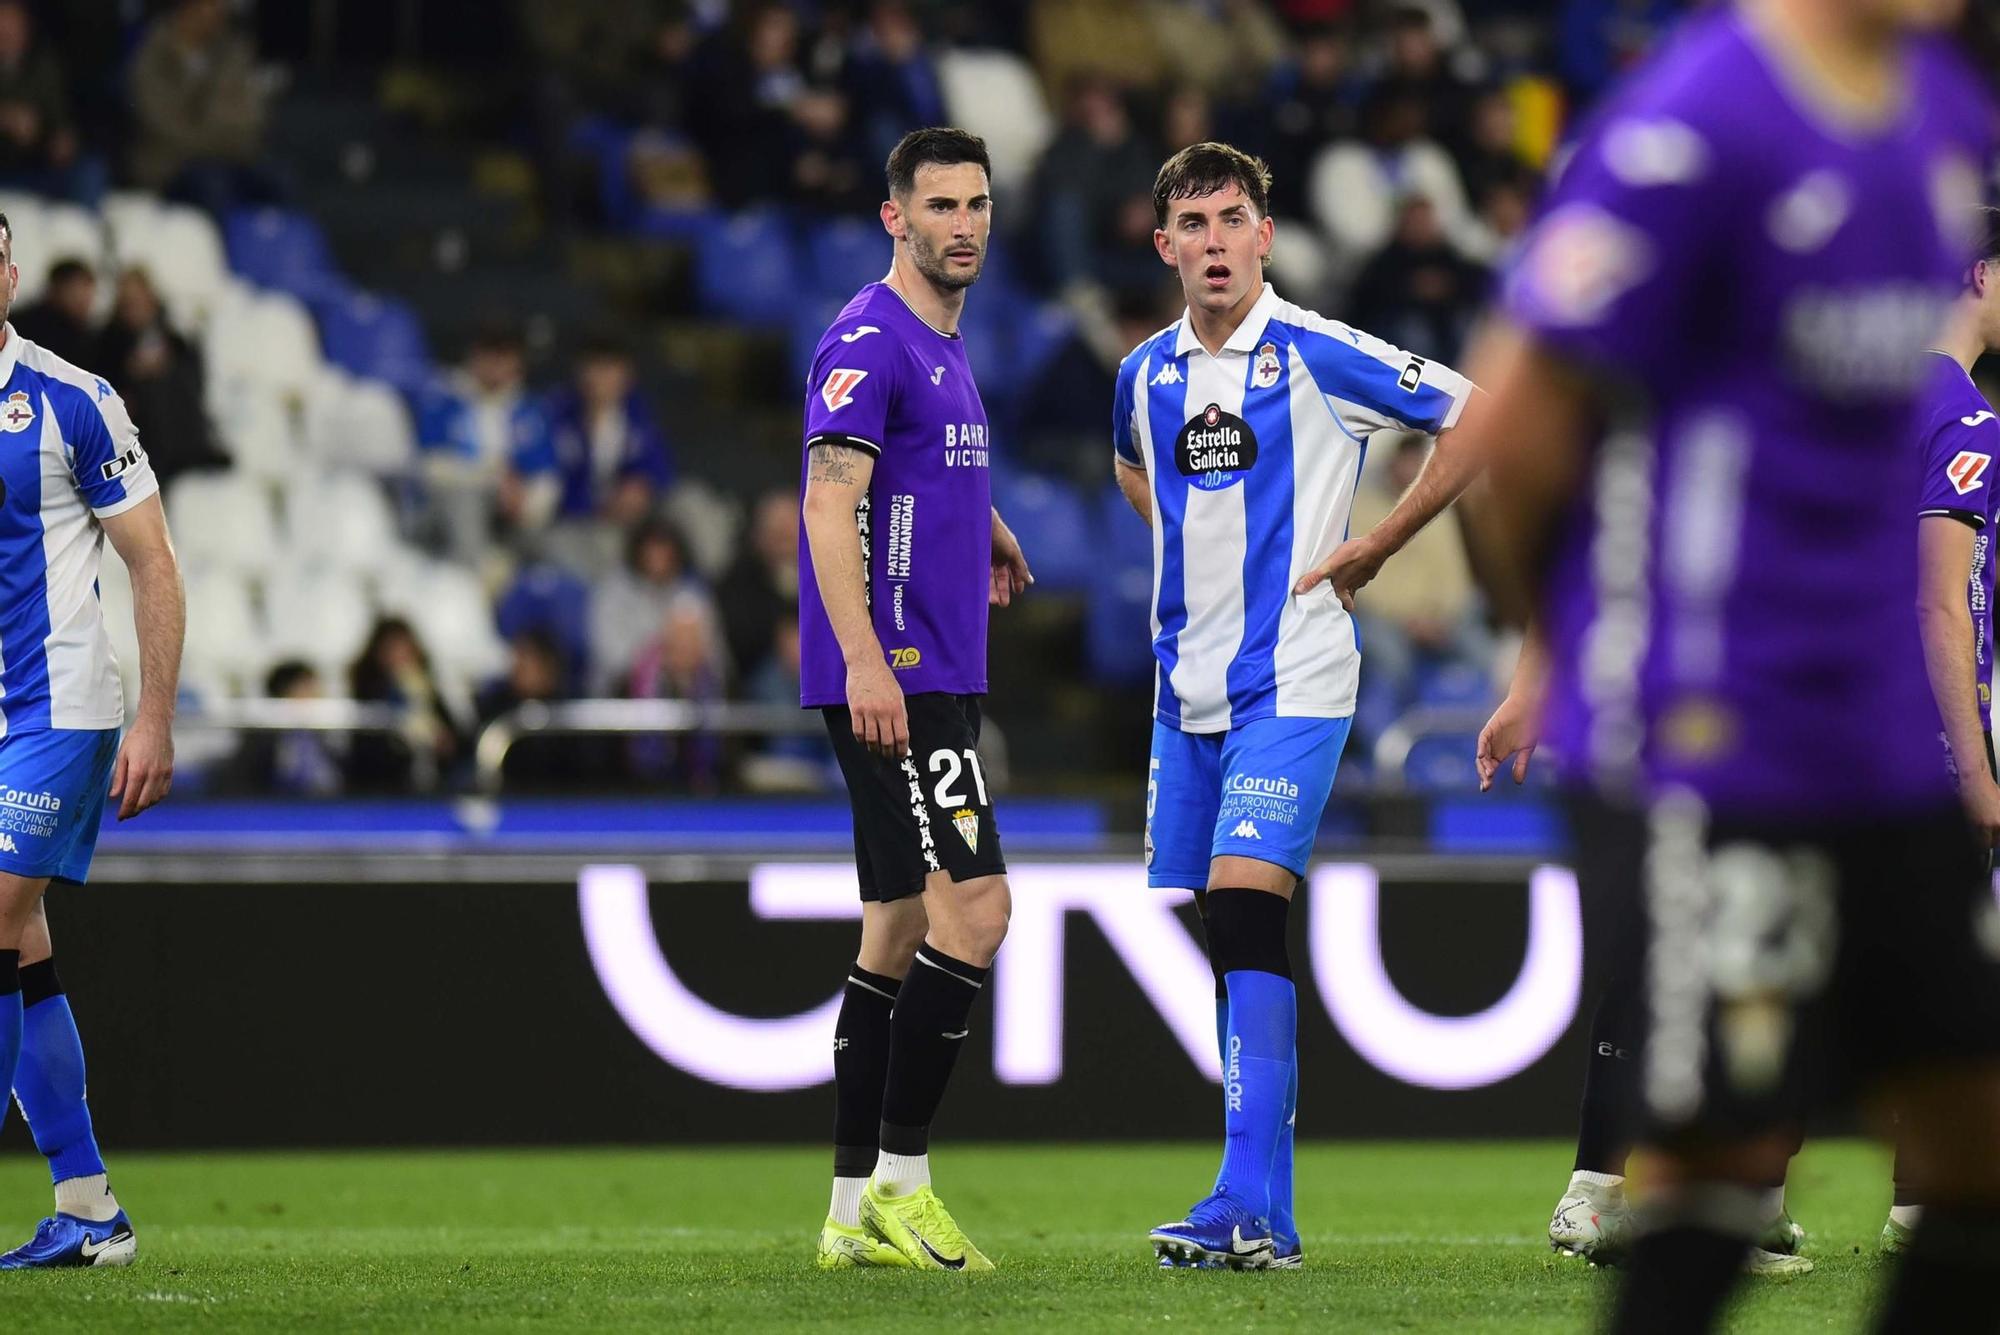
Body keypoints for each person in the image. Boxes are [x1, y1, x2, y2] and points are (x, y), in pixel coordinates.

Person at [1460, 3, 1999, 1329]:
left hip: (1880, 736)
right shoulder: (1694, 119)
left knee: (1976, 1140)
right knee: (1719, 1159)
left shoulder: (1945, 115)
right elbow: (1517, 436)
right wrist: (1582, 656)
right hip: (1720, 727)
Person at [1112, 142, 1476, 1270]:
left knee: (1241, 912)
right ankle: (1268, 1218)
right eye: (1193, 224)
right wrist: (1193, 556)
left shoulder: (1316, 353)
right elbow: (1133, 467)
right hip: (1186, 693)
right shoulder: (1142, 375)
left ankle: (1237, 1198)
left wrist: (1375, 543)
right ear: (1163, 245)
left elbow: (1473, 416)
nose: (1214, 242)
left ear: (1266, 236)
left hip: (1296, 679)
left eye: (1233, 220)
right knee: (1226, 934)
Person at [800, 127, 1032, 1272]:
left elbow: (916, 468)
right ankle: (904, 1180)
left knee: (896, 928)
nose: (964, 224)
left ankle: (848, 1215)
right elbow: (826, 500)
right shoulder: (868, 338)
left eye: (976, 203)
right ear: (894, 217)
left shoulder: (940, 340)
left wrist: (983, 521)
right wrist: (862, 660)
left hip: (926, 665)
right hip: (901, 675)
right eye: (940, 205)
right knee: (975, 914)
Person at [0, 211, 186, 1269]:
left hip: (58, 710)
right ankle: (88, 1206)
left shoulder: (71, 399)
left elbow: (152, 561)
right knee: (20, 943)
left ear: (11, 275)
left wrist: (154, 715)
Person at [95, 267, 229, 491]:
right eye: (128, 303)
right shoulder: (106, 343)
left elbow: (196, 383)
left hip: (178, 424)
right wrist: (132, 374)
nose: (134, 308)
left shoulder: (175, 339)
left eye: (139, 301)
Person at [9, 258, 95, 369]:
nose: (84, 301)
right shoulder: (26, 326)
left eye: (88, 293)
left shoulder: (86, 335)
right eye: (76, 292)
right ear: (57, 288)